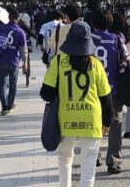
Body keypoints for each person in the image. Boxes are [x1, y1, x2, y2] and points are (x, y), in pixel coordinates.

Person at [41, 22, 113, 187]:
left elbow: (46, 93)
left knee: (65, 158)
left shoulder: (59, 61)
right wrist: (107, 121)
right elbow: (106, 96)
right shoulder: (96, 64)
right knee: (89, 163)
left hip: (65, 119)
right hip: (92, 119)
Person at [91, 9, 128, 175]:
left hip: (92, 88)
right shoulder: (117, 38)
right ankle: (113, 161)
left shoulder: (89, 39)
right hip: (113, 87)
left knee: (94, 122)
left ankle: (94, 155)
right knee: (115, 123)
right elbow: (125, 57)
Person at [0, 9, 27, 115]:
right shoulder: (20, 32)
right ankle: (10, 105)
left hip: (1, 60)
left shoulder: (0, 28)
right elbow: (23, 49)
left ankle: (4, 107)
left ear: (8, 18)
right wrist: (25, 62)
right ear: (17, 19)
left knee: (2, 85)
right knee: (13, 85)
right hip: (14, 61)